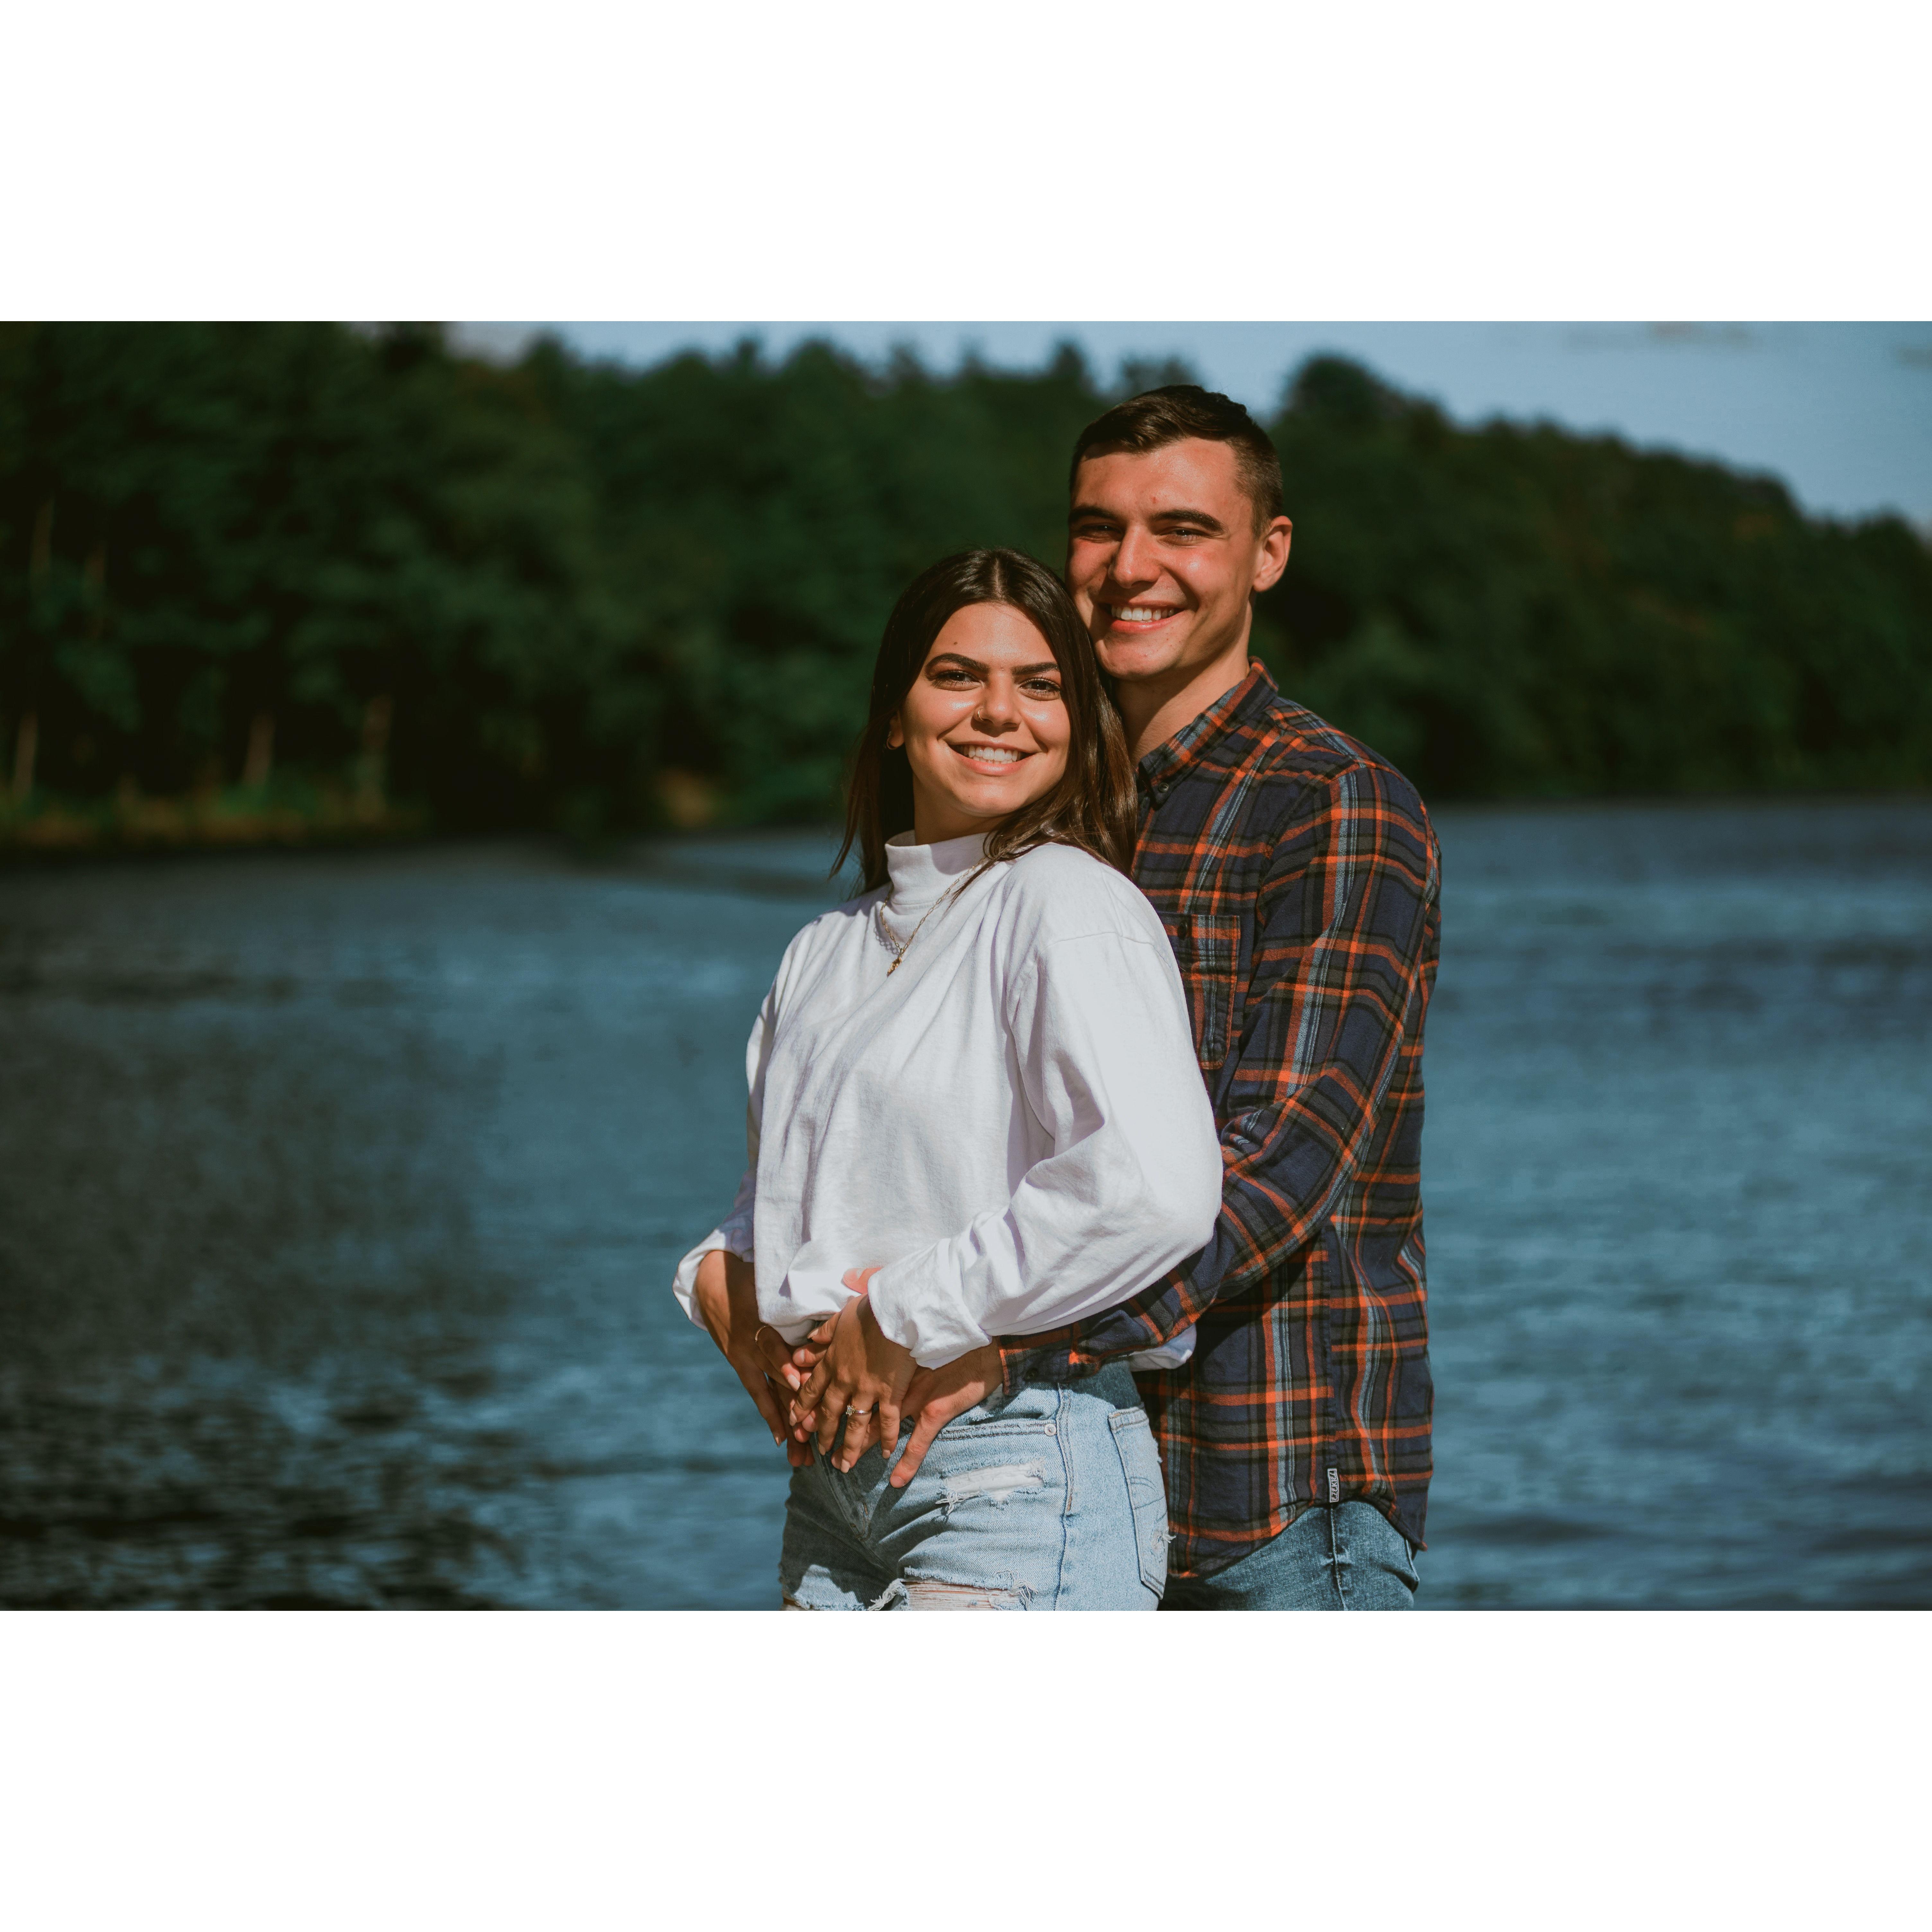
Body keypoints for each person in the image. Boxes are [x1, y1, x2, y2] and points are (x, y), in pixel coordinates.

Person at [877, 387, 1442, 1610]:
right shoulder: (1029, 816)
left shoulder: (1334, 803)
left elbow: (1281, 1162)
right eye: (1099, 529)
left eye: (1182, 529)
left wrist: (1006, 1343)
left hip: (1265, 1504)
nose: (1131, 567)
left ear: (1268, 553)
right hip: (1035, 1501)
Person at [672, 546, 1223, 1610]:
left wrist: (903, 1312)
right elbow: (790, 1201)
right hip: (832, 1486)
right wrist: (718, 1278)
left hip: (1014, 1464)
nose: (999, 712)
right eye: (958, 675)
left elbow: (1155, 1190)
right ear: (895, 715)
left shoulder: (1066, 903)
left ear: (1078, 724)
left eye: (1040, 685)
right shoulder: (822, 951)